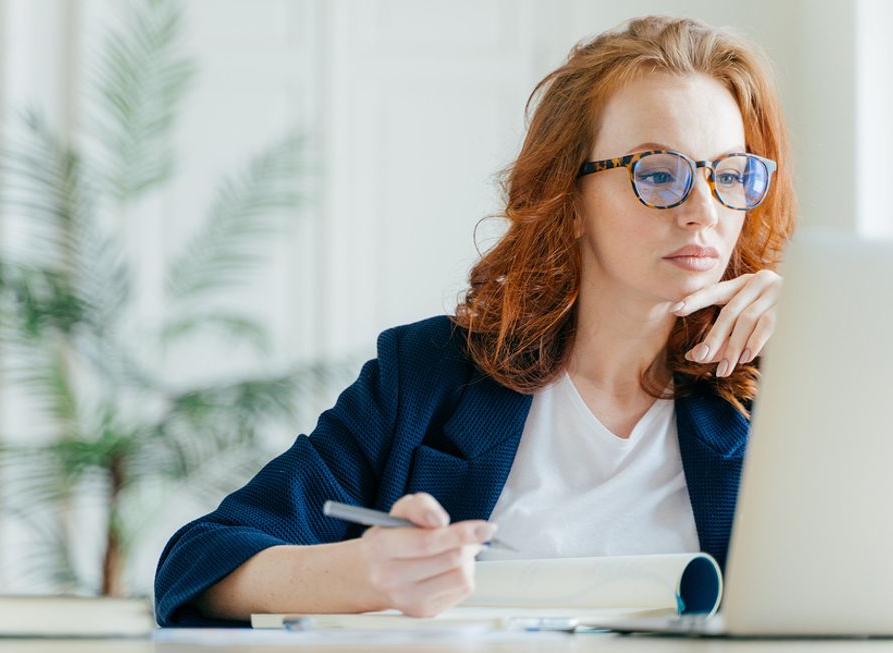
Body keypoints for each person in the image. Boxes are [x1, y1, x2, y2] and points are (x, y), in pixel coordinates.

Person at [154, 15, 796, 627]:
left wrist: (821, 350)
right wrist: (366, 574)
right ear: (568, 199)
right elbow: (196, 566)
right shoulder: (431, 375)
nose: (704, 211)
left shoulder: (783, 385)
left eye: (731, 174)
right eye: (658, 174)